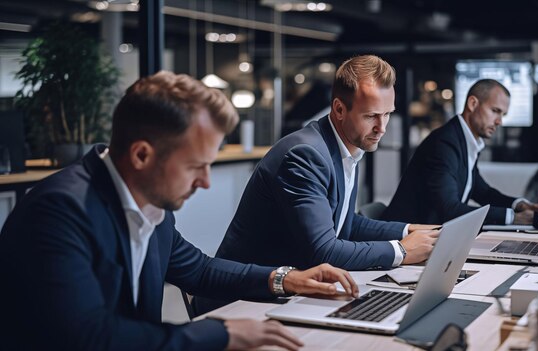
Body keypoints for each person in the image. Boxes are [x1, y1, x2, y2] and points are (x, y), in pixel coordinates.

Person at [0, 71, 359, 351]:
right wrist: (218, 333)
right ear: (142, 155)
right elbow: (91, 338)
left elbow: (199, 270)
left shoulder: (150, 204)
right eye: (195, 166)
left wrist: (285, 279)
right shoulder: (58, 214)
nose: (205, 182)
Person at [216, 55, 439, 272]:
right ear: (340, 109)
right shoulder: (305, 155)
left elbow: (346, 222)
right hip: (243, 298)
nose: (382, 128)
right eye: (371, 116)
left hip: (292, 287)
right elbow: (323, 252)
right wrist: (401, 250)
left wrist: (409, 230)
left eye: (387, 114)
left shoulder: (348, 144)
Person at [383, 79, 538, 225]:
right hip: (408, 243)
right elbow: (449, 210)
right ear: (473, 104)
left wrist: (520, 205)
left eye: (503, 114)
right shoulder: (445, 143)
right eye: (495, 111)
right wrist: (513, 218)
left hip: (437, 240)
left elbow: (482, 191)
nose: (499, 121)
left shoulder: (464, 140)